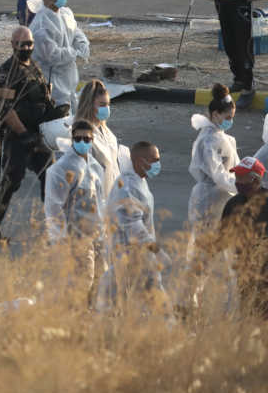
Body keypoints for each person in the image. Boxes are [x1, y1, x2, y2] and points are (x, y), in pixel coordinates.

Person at [0, 26, 61, 244]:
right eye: (21, 44)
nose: (26, 48)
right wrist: (24, 134)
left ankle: (54, 230)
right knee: (10, 182)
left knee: (51, 178)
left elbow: (42, 96)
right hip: (18, 137)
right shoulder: (8, 71)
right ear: (12, 44)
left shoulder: (33, 66)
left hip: (39, 135)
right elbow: (5, 108)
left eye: (29, 44)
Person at [180, 83, 240, 312]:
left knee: (226, 254)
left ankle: (229, 306)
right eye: (227, 116)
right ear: (215, 114)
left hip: (223, 201)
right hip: (208, 201)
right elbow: (218, 174)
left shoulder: (221, 137)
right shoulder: (208, 141)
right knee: (202, 255)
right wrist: (239, 185)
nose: (230, 120)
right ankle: (188, 304)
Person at [100, 141, 169, 315]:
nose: (157, 164)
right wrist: (155, 249)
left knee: (135, 302)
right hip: (131, 255)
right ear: (139, 161)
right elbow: (132, 224)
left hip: (136, 254)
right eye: (154, 160)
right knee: (149, 301)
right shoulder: (129, 186)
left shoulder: (138, 181)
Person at [44, 119, 106, 307]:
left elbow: (100, 202)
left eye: (87, 139)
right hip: (75, 240)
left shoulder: (94, 167)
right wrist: (61, 240)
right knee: (79, 287)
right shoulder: (61, 169)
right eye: (78, 138)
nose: (83, 142)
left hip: (95, 237)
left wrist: (103, 233)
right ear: (71, 139)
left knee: (99, 285)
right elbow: (53, 207)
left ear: (93, 139)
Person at [216, 156, 268, 319]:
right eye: (236, 177)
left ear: (255, 180)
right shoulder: (233, 204)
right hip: (245, 271)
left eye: (241, 177)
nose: (237, 181)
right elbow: (223, 237)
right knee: (248, 314)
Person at [29, 0, 89, 114]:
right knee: (58, 123)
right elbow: (53, 56)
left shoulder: (65, 13)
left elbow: (77, 33)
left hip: (70, 81)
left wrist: (82, 44)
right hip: (53, 85)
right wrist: (75, 52)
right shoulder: (41, 25)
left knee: (74, 122)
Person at [77, 79, 120, 206]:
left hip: (110, 199)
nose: (106, 109)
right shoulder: (81, 135)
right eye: (101, 105)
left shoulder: (107, 133)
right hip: (93, 204)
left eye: (107, 104)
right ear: (89, 105)